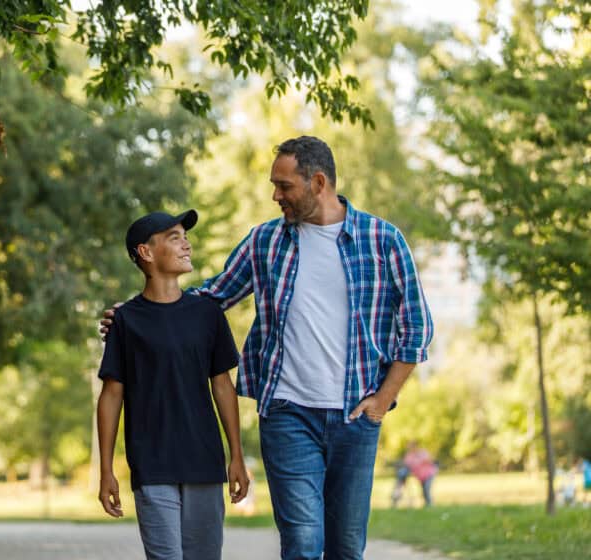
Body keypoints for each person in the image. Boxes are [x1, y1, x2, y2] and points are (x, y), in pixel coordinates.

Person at [102, 136, 433, 559]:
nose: (276, 196)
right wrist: (134, 317)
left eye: (284, 186)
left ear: (317, 182)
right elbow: (210, 297)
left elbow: (417, 328)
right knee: (302, 543)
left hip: (356, 415)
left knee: (347, 547)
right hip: (287, 413)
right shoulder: (266, 242)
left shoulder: (382, 240)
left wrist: (382, 401)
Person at [96, 209, 249, 560]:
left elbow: (223, 387)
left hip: (204, 461)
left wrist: (236, 455)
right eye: (175, 237)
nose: (187, 244)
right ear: (146, 253)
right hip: (152, 464)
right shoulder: (126, 321)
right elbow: (111, 396)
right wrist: (106, 471)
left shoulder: (208, 314)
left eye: (186, 236)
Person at [402, 441, 438, 507]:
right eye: (408, 447)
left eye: (411, 446)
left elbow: (429, 460)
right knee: (424, 490)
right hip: (420, 476)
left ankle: (429, 504)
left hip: (429, 474)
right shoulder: (409, 455)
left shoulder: (423, 452)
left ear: (415, 446)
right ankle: (428, 504)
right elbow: (407, 464)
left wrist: (419, 461)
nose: (409, 448)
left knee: (426, 489)